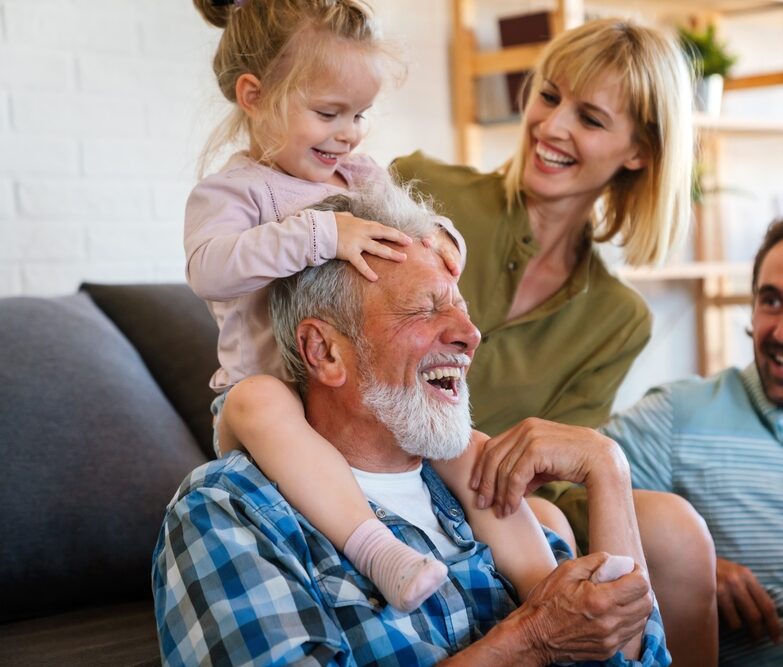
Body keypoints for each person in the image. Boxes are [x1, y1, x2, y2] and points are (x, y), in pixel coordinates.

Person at [153, 182, 669, 666]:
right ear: (325, 351)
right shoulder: (229, 511)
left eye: (463, 311)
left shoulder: (480, 488)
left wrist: (608, 469)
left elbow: (622, 652)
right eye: (425, 310)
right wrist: (531, 640)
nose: (471, 335)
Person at [187, 0, 560, 614]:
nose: (348, 132)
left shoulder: (358, 176)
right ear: (254, 95)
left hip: (354, 400)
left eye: (359, 114)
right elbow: (208, 267)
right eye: (328, 113)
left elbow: (411, 226)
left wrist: (441, 239)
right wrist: (323, 236)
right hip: (268, 400)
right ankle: (378, 552)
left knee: (469, 449)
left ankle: (551, 587)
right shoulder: (235, 192)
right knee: (259, 398)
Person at [392, 18, 717, 664]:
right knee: (549, 525)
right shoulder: (425, 192)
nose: (551, 126)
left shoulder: (618, 318)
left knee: (674, 528)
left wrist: (602, 470)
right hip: (393, 466)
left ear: (638, 152)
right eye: (548, 96)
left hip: (499, 497)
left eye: (590, 118)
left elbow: (557, 464)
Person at [597, 218, 783, 667]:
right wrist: (689, 568)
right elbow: (559, 500)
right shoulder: (679, 415)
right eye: (771, 301)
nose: (779, 333)